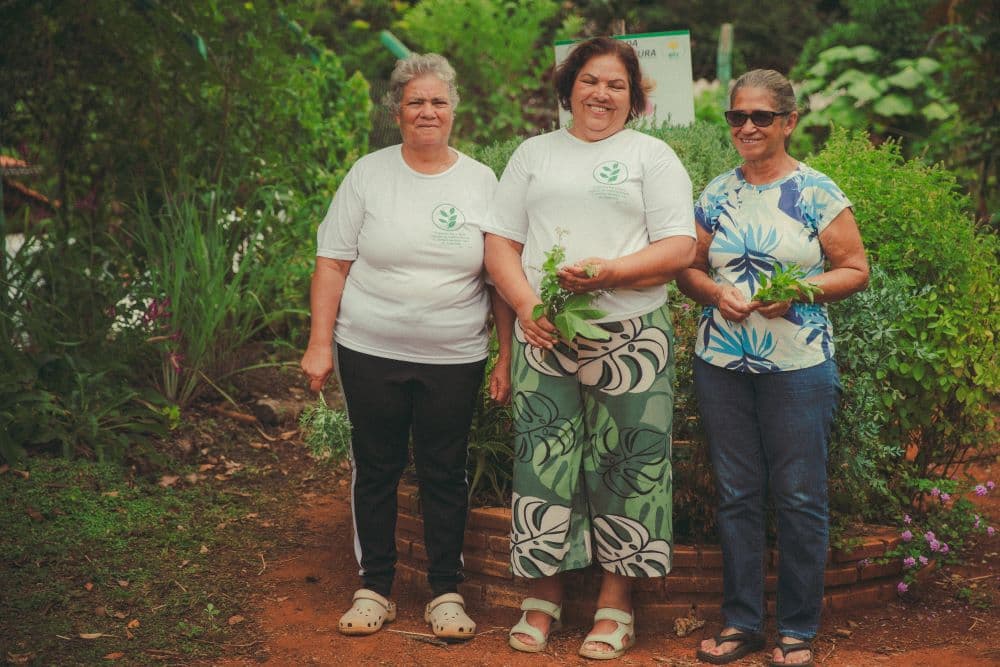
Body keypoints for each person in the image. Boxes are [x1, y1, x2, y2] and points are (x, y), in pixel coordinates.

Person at [483, 36, 696, 660]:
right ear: (568, 87)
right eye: (590, 81)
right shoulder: (533, 154)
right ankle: (542, 597)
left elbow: (680, 246)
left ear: (634, 99)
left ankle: (615, 605)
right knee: (544, 460)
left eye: (616, 85)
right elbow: (500, 241)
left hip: (633, 335)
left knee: (631, 465)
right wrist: (527, 307)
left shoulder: (651, 157)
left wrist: (612, 272)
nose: (601, 94)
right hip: (546, 333)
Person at [300, 53, 514, 641]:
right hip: (368, 349)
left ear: (453, 111)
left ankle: (446, 592)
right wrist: (320, 343)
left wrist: (505, 353)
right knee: (376, 468)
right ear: (397, 112)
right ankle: (375, 588)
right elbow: (332, 261)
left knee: (445, 471)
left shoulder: (479, 180)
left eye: (438, 101)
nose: (428, 111)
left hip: (454, 356)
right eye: (416, 102)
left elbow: (498, 275)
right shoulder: (368, 174)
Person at [676, 69, 869, 667]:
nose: (748, 127)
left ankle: (797, 630)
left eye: (762, 117)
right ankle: (741, 624)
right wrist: (712, 293)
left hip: (797, 365)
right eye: (738, 117)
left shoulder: (816, 191)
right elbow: (688, 266)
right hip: (722, 362)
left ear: (789, 122)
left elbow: (855, 268)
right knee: (736, 494)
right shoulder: (716, 192)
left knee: (800, 496)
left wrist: (803, 292)